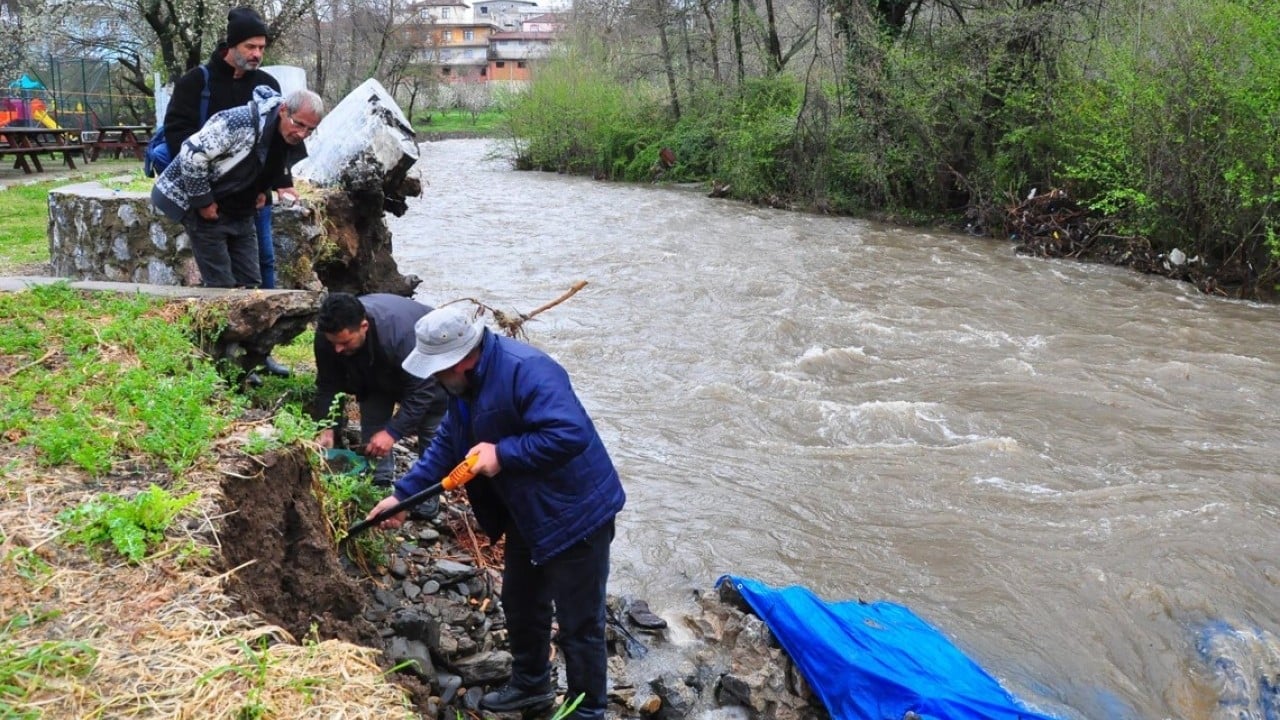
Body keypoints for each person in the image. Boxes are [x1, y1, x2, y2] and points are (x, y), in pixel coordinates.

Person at [366, 307, 625, 720]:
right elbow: (449, 443)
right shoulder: (462, 389)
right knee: (521, 602)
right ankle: (532, 684)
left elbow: (570, 432)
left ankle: (588, 709)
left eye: (437, 369)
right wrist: (403, 496)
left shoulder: (529, 370)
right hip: (527, 513)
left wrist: (501, 454)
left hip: (577, 514)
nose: (433, 378)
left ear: (461, 359)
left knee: (580, 624)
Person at [163, 6, 295, 377]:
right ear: (231, 45)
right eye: (250, 46)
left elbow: (276, 141)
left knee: (261, 269)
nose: (256, 54)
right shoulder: (196, 83)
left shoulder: (265, 83)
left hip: (250, 201)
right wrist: (203, 194)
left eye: (261, 47)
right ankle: (226, 357)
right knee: (221, 282)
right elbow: (178, 139)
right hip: (208, 200)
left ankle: (259, 353)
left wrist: (271, 186)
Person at [151, 86, 322, 290]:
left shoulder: (287, 135)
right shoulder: (238, 121)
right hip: (205, 208)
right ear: (284, 110)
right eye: (299, 124)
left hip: (241, 211)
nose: (303, 134)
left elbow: (258, 163)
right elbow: (191, 153)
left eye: (310, 129)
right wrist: (203, 201)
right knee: (221, 287)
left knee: (251, 284)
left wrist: (266, 192)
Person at [313, 293, 448, 505]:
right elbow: (328, 384)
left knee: (432, 434)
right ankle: (379, 483)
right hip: (374, 371)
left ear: (363, 326)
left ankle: (427, 498)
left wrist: (393, 433)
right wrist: (328, 426)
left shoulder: (401, 336)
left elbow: (422, 390)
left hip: (428, 368)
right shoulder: (328, 337)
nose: (337, 349)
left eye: (344, 342)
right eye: (333, 343)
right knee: (374, 425)